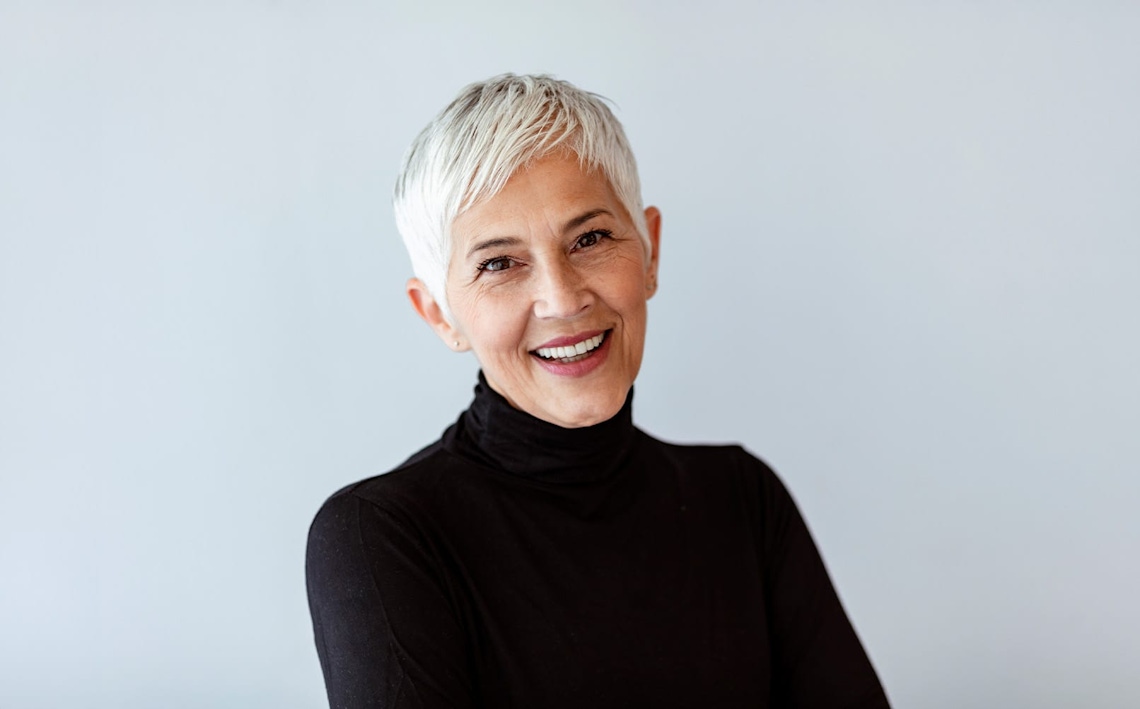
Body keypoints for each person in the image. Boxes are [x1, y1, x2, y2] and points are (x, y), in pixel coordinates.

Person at [305, 73, 890, 709]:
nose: (562, 299)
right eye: (500, 263)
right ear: (440, 315)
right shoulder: (383, 536)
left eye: (590, 238)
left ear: (651, 251)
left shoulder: (742, 500)